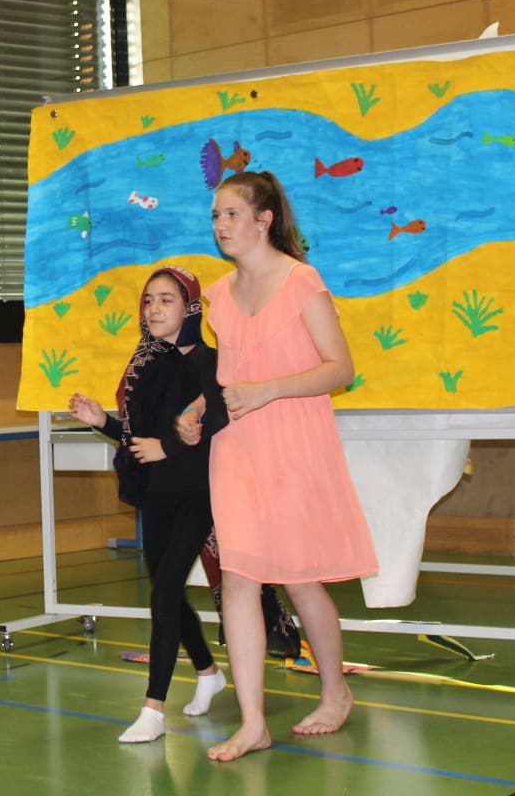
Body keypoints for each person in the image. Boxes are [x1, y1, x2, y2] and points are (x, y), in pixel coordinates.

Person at [177, 170, 378, 761]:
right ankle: (253, 722)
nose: (220, 226)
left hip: (294, 446)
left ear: (264, 220)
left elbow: (340, 368)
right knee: (239, 578)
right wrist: (196, 411)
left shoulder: (301, 282)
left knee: (299, 578)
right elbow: (227, 382)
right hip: (236, 450)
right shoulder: (218, 297)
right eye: (216, 216)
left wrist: (268, 390)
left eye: (232, 214)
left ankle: (335, 691)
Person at [68, 266, 229, 744]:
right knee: (168, 592)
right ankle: (208, 672)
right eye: (148, 301)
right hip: (159, 493)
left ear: (190, 308)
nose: (154, 309)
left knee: (163, 593)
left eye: (166, 300)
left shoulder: (211, 361)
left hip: (200, 492)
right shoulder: (148, 363)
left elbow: (218, 424)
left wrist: (169, 447)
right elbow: (141, 438)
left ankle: (153, 710)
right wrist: (102, 422)